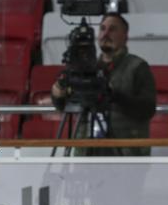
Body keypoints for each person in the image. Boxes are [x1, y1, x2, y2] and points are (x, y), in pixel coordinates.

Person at [51, 12, 156, 156]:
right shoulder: (83, 67)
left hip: (125, 153)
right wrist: (58, 91)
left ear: (125, 37)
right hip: (87, 151)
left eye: (112, 29)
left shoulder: (138, 67)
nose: (106, 33)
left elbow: (148, 109)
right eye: (102, 28)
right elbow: (62, 105)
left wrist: (114, 95)